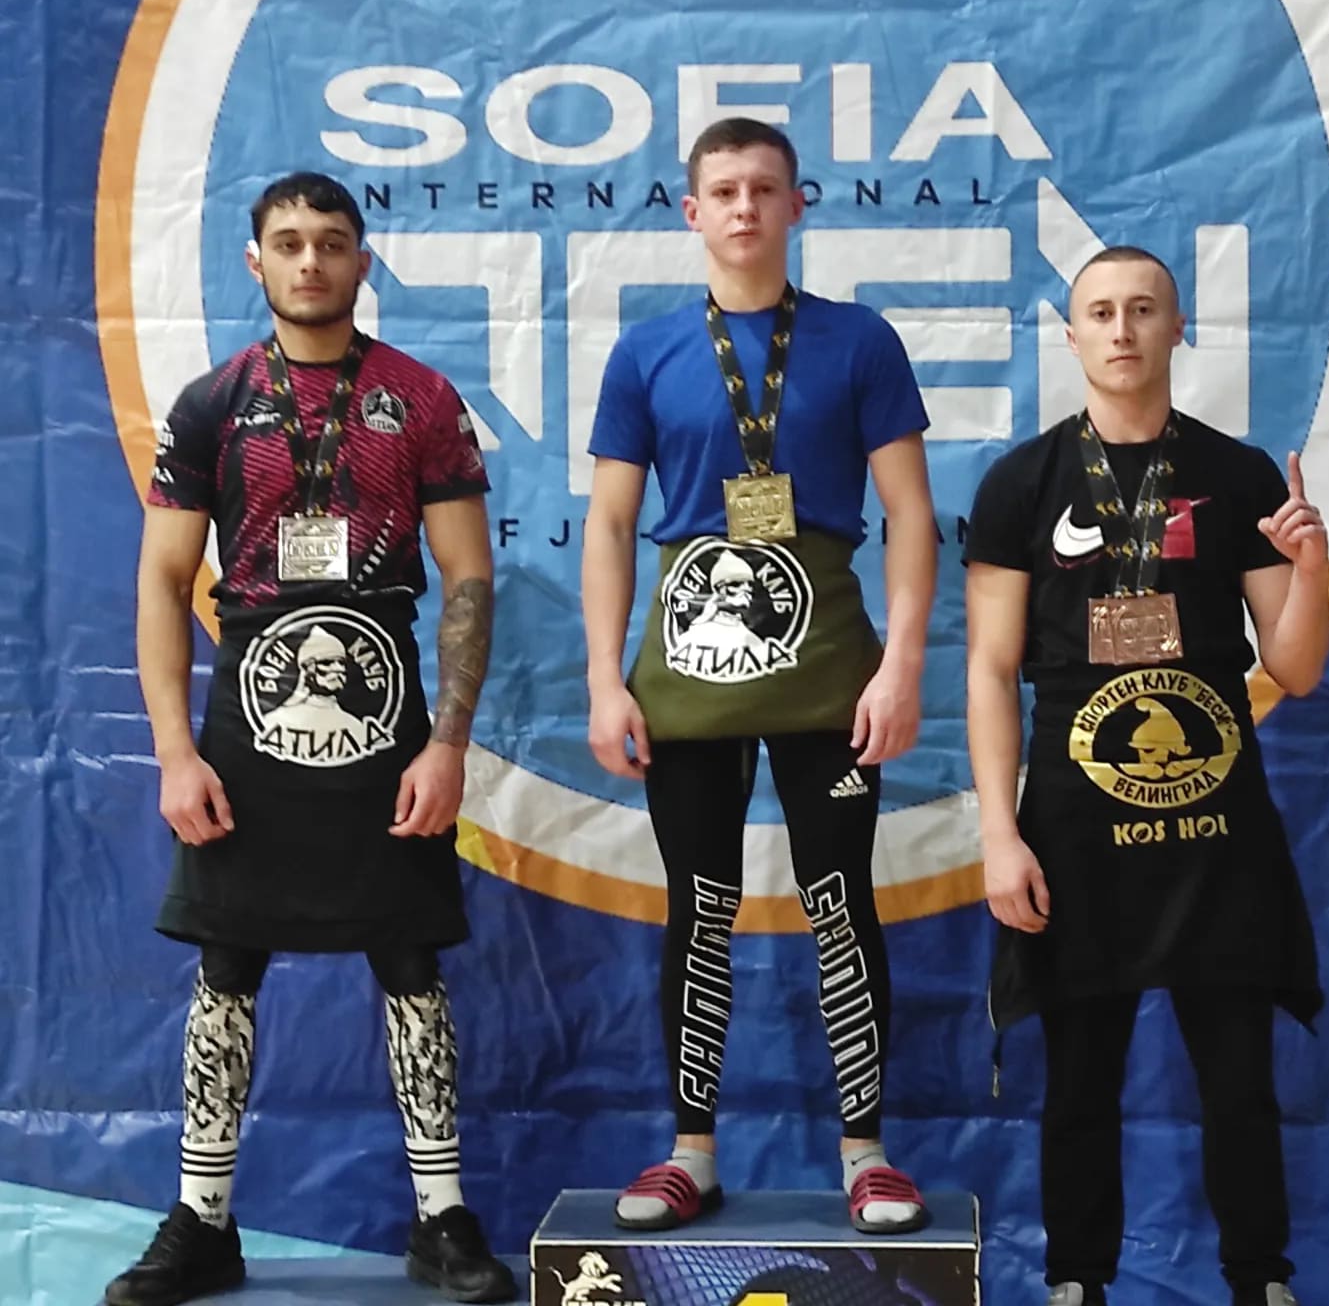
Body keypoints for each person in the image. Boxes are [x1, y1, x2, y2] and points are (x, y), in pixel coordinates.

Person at [105, 172, 515, 1305]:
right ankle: (202, 1219)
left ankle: (442, 1218)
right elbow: (162, 580)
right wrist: (175, 752)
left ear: (362, 261)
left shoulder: (420, 398)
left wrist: (449, 744)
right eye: (287, 243)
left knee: (410, 958)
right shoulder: (213, 404)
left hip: (390, 726)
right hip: (247, 719)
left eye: (331, 242)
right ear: (256, 261)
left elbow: (470, 579)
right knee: (225, 963)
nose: (310, 261)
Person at [582, 118, 937, 1234]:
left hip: (833, 669)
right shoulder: (645, 351)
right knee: (701, 906)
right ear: (692, 212)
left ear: (797, 205)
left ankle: (866, 1151)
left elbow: (912, 515)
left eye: (764, 188)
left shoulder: (859, 340)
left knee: (840, 901)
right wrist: (604, 679)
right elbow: (609, 526)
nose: (744, 207)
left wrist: (902, 665)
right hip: (686, 673)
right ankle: (689, 1152)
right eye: (724, 190)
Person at [964, 247, 1326, 1306]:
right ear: (1070, 334)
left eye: (1142, 310)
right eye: (1100, 312)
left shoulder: (1239, 475)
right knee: (1080, 1084)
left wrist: (1312, 568)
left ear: (1178, 327)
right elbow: (989, 669)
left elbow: (1297, 667)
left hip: (1218, 830)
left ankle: (1260, 1281)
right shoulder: (1020, 484)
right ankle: (1077, 1282)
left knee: (1239, 1083)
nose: (1121, 330)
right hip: (1075, 829)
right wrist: (999, 834)